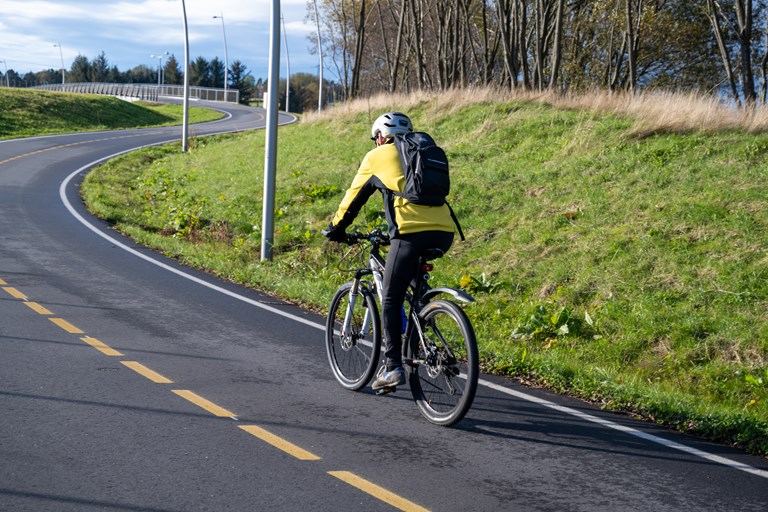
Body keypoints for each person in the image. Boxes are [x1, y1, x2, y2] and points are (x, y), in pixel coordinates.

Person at [323, 112, 456, 390]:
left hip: (410, 233)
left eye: (376, 139)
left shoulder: (378, 156)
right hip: (444, 231)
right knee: (411, 285)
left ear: (381, 136)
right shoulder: (419, 150)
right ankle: (422, 330)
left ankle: (393, 365)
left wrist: (336, 228)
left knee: (392, 298)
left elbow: (353, 198)